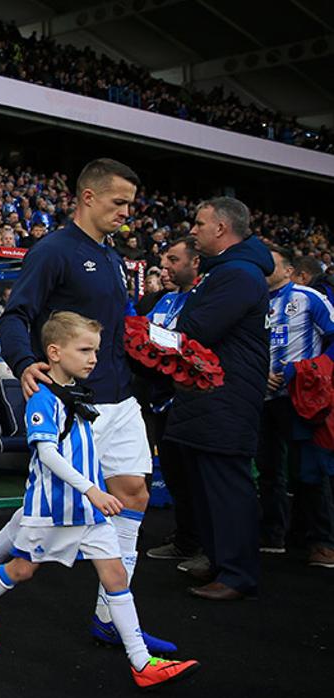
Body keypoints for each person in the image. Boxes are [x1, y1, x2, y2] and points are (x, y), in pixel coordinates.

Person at [0, 159, 175, 653]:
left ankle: (110, 616)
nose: (127, 212)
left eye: (130, 203)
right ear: (87, 197)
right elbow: (17, 314)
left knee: (133, 495)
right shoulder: (54, 250)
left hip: (120, 398)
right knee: (48, 508)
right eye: (118, 202)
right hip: (73, 405)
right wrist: (22, 363)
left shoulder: (112, 256)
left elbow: (113, 325)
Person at [0, 312, 200, 689]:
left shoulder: (77, 394)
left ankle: (141, 663)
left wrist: (92, 494)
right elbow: (47, 455)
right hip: (52, 509)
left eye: (96, 351)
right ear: (54, 352)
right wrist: (94, 489)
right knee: (21, 570)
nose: (93, 359)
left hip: (87, 511)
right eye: (84, 350)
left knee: (116, 575)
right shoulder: (43, 400)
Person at [166, 197, 272, 600]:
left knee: (226, 485)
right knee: (206, 483)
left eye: (199, 223)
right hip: (212, 395)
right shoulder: (228, 272)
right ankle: (218, 559)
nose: (193, 230)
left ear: (222, 229)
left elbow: (196, 329)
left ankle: (237, 573)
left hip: (225, 395)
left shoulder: (238, 275)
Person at [256, 244, 334, 568]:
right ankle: (273, 534)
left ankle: (321, 540)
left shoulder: (307, 297)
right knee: (269, 469)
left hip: (300, 399)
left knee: (309, 469)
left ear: (289, 270)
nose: (263, 270)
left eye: (270, 264)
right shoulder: (255, 301)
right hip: (263, 398)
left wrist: (303, 371)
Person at [141, 238, 203, 565]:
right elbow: (141, 333)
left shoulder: (203, 298)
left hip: (189, 399)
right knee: (177, 474)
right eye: (164, 262)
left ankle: (199, 541)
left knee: (194, 475)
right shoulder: (164, 300)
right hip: (160, 398)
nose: (165, 268)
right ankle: (186, 537)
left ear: (195, 263)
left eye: (173, 261)